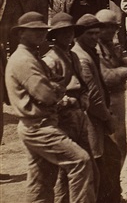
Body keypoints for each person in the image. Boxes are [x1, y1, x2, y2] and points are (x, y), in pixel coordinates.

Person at [5, 12, 95, 202]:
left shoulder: (31, 57)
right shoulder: (24, 60)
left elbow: (52, 88)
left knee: (41, 181)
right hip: (39, 126)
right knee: (80, 161)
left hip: (39, 124)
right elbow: (46, 95)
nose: (40, 34)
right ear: (21, 33)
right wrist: (57, 89)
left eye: (42, 30)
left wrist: (54, 87)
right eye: (34, 31)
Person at [72, 14, 122, 201]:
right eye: (90, 34)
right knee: (99, 167)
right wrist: (108, 118)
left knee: (112, 158)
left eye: (96, 33)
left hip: (96, 121)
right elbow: (93, 97)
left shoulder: (89, 52)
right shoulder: (82, 58)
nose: (95, 37)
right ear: (79, 35)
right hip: (91, 122)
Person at [94, 9, 127, 168]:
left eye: (114, 27)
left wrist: (126, 70)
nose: (111, 31)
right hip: (107, 101)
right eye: (107, 27)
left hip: (118, 98)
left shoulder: (111, 45)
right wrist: (125, 71)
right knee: (113, 145)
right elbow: (107, 77)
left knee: (120, 144)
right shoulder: (96, 49)